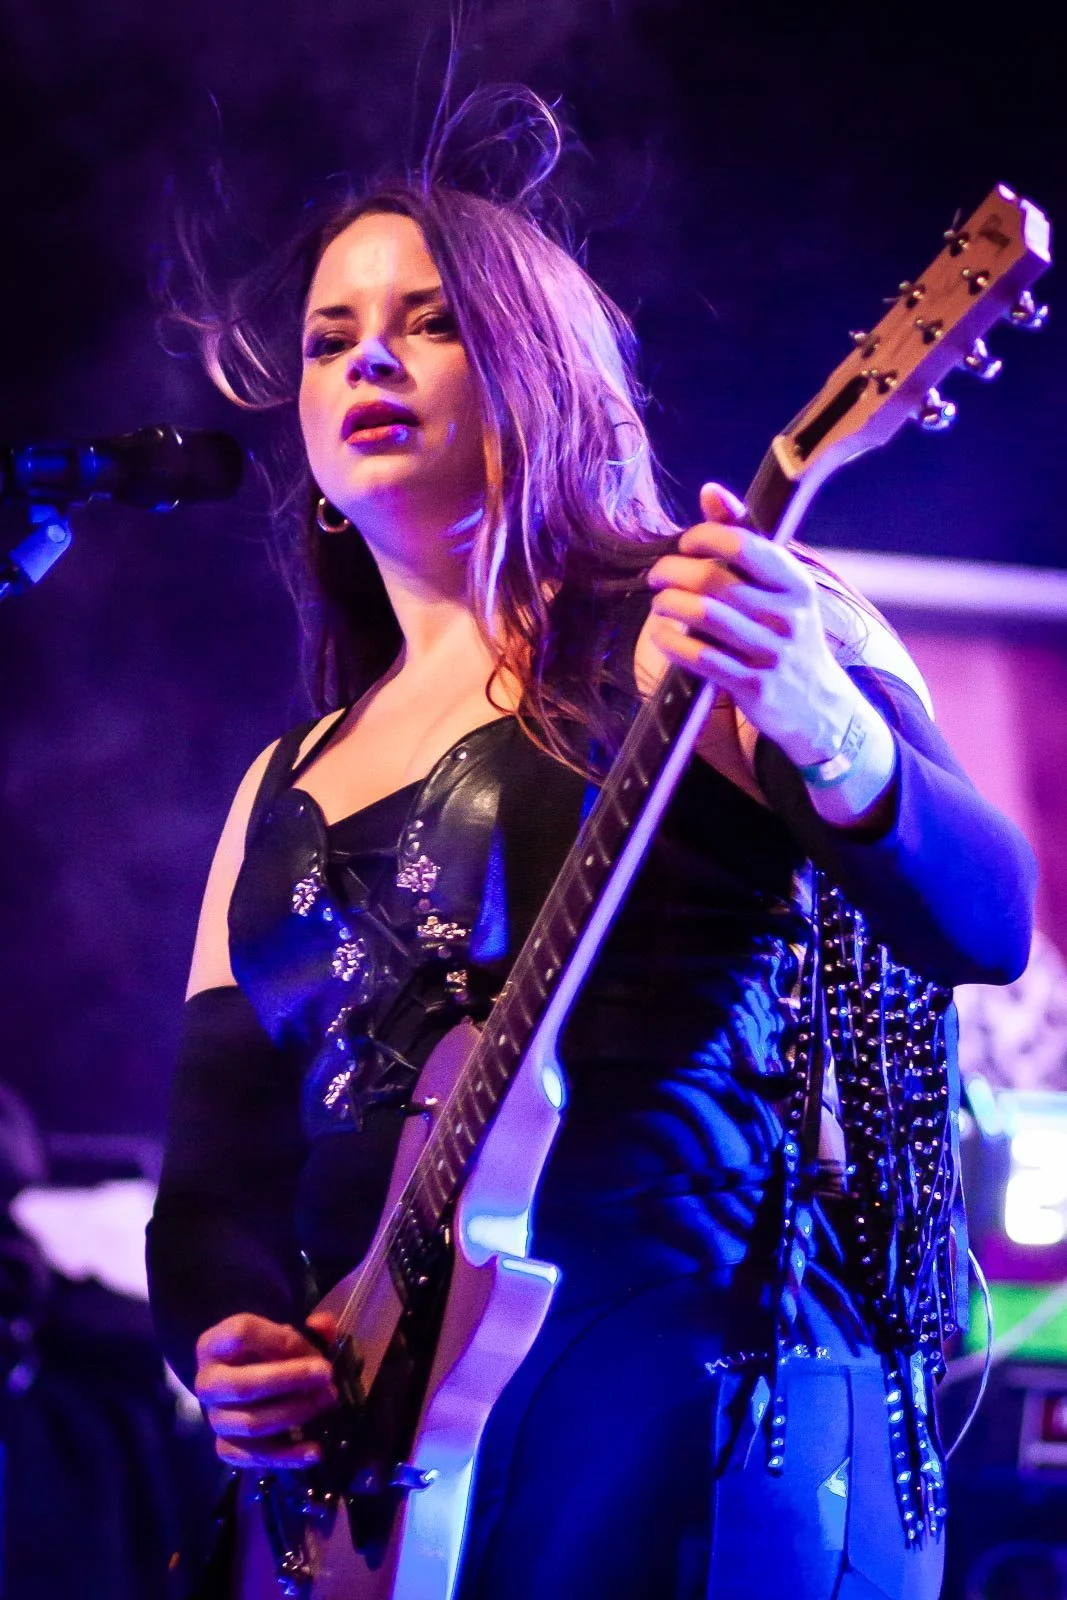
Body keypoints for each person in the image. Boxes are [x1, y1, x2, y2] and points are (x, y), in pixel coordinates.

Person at [146, 90, 1036, 1599]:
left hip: (695, 1411)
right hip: (386, 1484)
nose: (368, 360)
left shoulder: (709, 619)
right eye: (328, 340)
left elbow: (988, 920)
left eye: (429, 323)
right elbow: (215, 1184)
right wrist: (229, 1346)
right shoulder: (277, 783)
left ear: (537, 368)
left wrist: (828, 722)